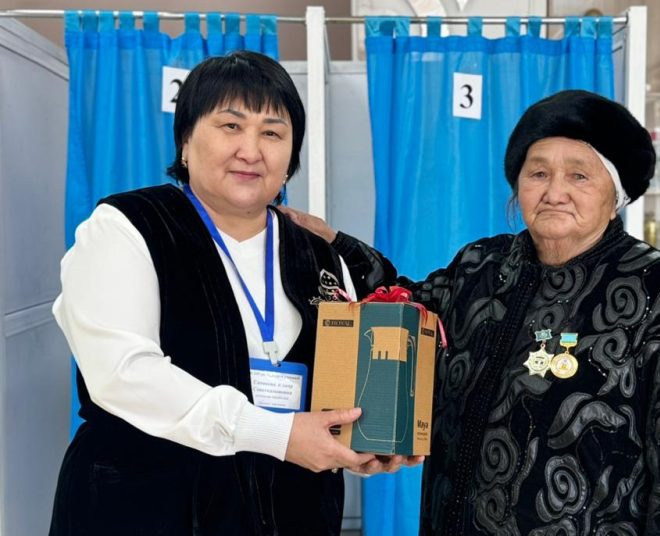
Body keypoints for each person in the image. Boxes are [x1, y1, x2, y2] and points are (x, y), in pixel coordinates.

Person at [282, 90, 660, 534]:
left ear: (617, 196)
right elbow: (402, 308)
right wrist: (332, 244)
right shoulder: (482, 267)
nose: (555, 191)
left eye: (580, 175)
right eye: (538, 173)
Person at [49, 50, 416, 536]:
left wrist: (362, 442)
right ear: (185, 140)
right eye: (230, 126)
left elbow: (340, 389)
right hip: (145, 508)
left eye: (272, 133)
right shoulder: (128, 228)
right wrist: (278, 434)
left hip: (292, 513)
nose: (251, 150)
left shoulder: (319, 255)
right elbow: (124, 374)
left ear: (291, 156)